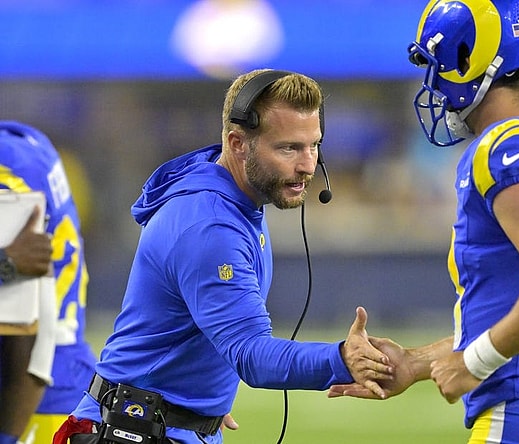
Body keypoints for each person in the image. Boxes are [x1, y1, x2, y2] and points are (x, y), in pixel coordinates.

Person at [329, 1, 519, 443]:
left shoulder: (503, 147)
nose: (436, 81)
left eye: (439, 63)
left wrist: (473, 362)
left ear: (470, 56)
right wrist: (416, 362)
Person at [54, 69, 393, 444]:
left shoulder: (240, 196)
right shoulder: (210, 227)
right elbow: (251, 354)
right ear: (237, 144)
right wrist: (342, 359)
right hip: (131, 430)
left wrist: (201, 394)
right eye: (288, 148)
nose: (308, 165)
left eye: (314, 145)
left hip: (164, 424)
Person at [0, 121, 95, 444]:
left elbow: (24, 333)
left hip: (28, 404)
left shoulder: (7, 177)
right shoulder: (26, 141)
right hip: (67, 381)